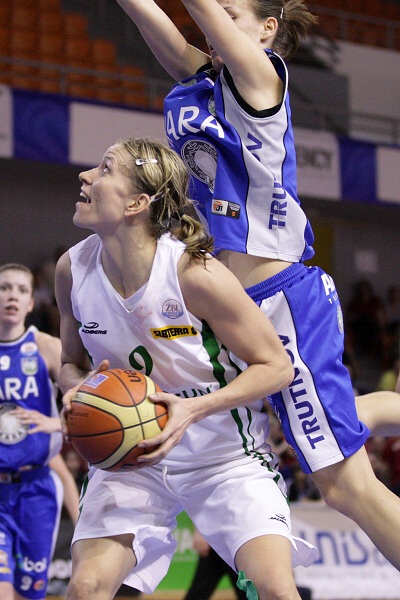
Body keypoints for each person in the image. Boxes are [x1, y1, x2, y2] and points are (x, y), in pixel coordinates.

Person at [114, 0, 400, 570]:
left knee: (345, 485)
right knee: (326, 432)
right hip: (232, 311)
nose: (212, 25)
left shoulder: (262, 78)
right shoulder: (205, 80)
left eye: (230, 13)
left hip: (282, 302)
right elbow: (150, 19)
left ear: (268, 29)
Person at [56, 136, 317, 600]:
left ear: (137, 203)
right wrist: (75, 390)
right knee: (86, 586)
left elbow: (276, 366)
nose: (86, 175)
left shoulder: (194, 274)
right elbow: (70, 363)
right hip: (130, 459)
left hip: (223, 456)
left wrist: (192, 410)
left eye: (105, 168)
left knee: (275, 589)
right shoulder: (71, 271)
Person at [0, 263, 66, 600]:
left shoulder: (46, 347)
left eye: (21, 290)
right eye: (4, 288)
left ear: (30, 303)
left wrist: (60, 423)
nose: (12, 295)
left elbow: (90, 397)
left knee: (30, 594)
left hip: (36, 488)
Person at [184, 528, 248, 600]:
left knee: (249, 594)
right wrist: (200, 532)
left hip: (241, 543)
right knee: (198, 593)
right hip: (215, 543)